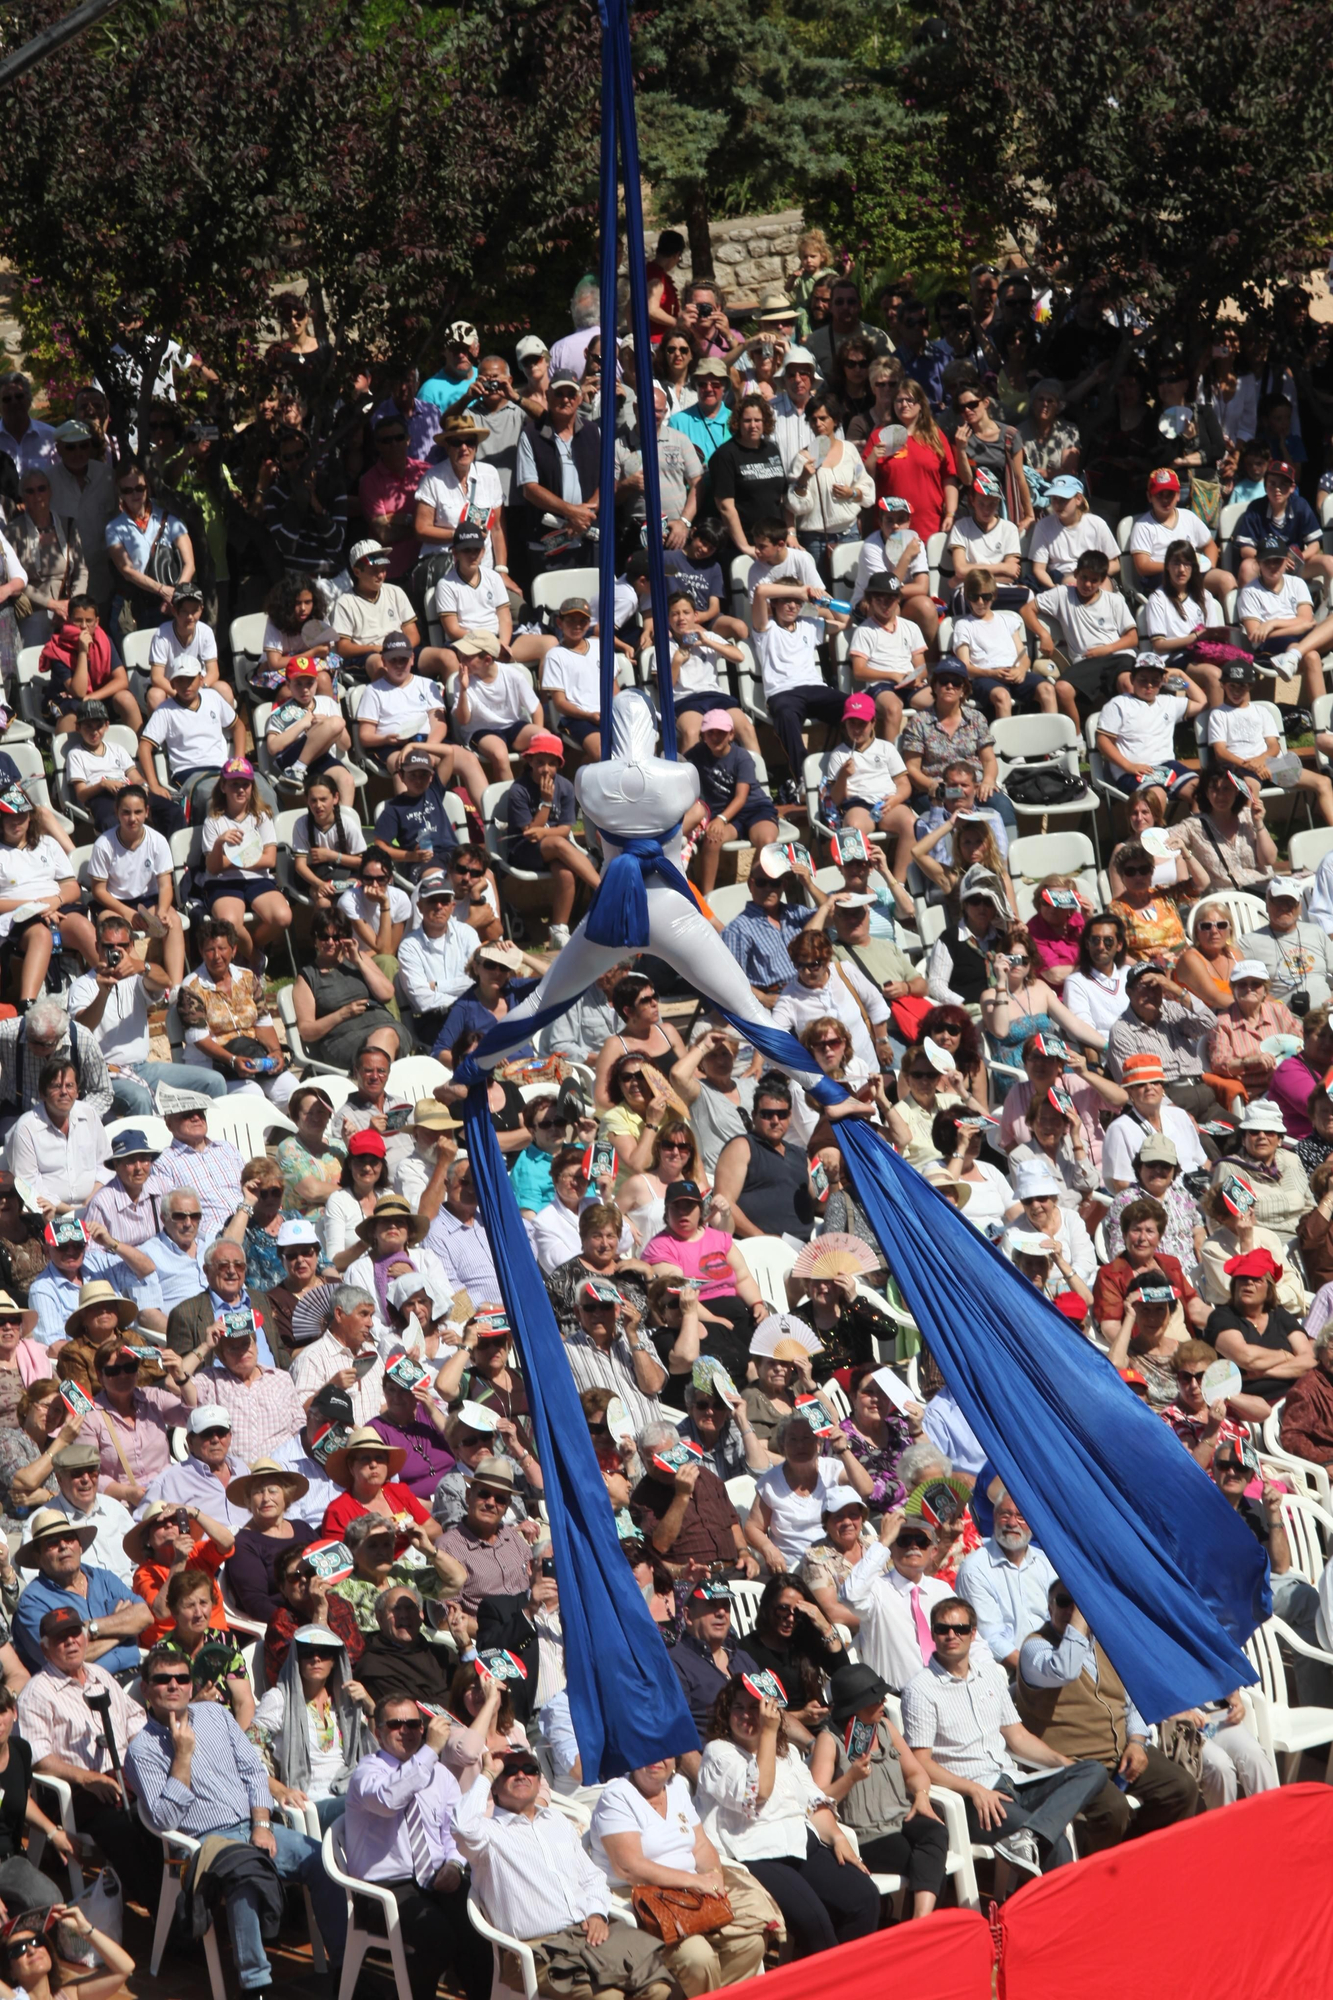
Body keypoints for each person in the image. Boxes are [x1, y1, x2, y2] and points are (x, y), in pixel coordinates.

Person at [127, 1639, 347, 1992]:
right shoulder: (142, 1749)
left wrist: (262, 1825)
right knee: (246, 1875)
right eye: (162, 1679)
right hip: (203, 1843)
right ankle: (256, 1985)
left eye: (181, 1679)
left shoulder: (216, 1715)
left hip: (253, 1825)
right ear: (146, 1688)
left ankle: (344, 1968)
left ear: (191, 1684)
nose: (173, 1685)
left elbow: (254, 1772)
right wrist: (182, 1758)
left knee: (323, 1862)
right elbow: (164, 1820)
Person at [902, 1595, 1109, 1885]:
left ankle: (1029, 1836)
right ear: (933, 1633)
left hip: (1013, 1782)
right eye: (943, 1629)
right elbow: (921, 1762)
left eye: (960, 1629)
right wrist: (973, 1789)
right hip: (973, 1800)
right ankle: (1061, 1914)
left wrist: (1063, 1764)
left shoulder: (990, 1676)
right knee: (1053, 1843)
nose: (952, 1635)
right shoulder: (921, 1690)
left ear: (973, 1634)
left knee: (1092, 1769)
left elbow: (1017, 1736)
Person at [695, 1677, 880, 1959]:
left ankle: (847, 1979)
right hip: (755, 1854)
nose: (747, 1716)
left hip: (799, 1843)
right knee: (814, 1921)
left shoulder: (788, 1753)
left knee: (864, 1897)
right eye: (738, 1708)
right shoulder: (719, 1753)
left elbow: (812, 1802)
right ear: (725, 1713)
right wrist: (768, 1733)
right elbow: (759, 1792)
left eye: (756, 1707)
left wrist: (837, 1836)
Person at [1014, 1581, 1202, 1850]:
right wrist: (1080, 1617)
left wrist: (1137, 1741)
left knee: (1181, 1787)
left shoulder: (1107, 1645)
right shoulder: (1036, 1647)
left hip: (1119, 1755)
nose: (1072, 1610)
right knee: (1113, 1810)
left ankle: (1142, 1858)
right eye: (1064, 1602)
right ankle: (1098, 1873)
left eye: (1079, 1602)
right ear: (1049, 1607)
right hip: (1072, 1764)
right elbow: (1064, 1670)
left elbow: (1133, 1700)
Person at [808, 1663, 950, 1919]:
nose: (884, 1701)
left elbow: (916, 1772)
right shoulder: (829, 1741)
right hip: (866, 1833)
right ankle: (920, 1926)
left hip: (901, 1818)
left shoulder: (885, 1727)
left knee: (936, 1832)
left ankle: (919, 1923)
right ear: (856, 1706)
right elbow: (817, 1801)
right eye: (875, 1698)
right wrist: (850, 1778)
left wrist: (920, 1795)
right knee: (927, 1863)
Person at [250, 1622, 373, 1834]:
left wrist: (371, 1707)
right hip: (310, 1802)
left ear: (335, 1660)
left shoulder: (345, 1701)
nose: (316, 1659)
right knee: (370, 1807)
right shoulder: (278, 1700)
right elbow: (247, 1755)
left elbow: (375, 1752)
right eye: (307, 1653)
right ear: (297, 1659)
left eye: (324, 1653)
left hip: (351, 1790)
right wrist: (280, 1790)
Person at [11, 1507, 151, 1675]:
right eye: (52, 1543)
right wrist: (123, 1632)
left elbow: (145, 1616)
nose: (63, 1546)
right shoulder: (32, 1603)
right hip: (80, 1692)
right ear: (37, 1558)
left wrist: (91, 1628)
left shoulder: (102, 1577)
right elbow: (62, 1660)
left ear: (80, 1547)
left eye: (69, 1538)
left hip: (137, 1676)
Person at [955, 1486, 1058, 1672]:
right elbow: (991, 1639)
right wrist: (1041, 1673)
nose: (1012, 1523)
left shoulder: (1047, 1564)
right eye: (1005, 1515)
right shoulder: (975, 1569)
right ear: (994, 1518)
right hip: (1009, 1675)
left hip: (1055, 1665)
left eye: (1021, 1516)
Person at [1205, 1247, 1313, 1406]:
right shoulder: (1222, 1317)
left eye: (1257, 1279)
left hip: (1295, 1398)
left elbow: (1309, 1360)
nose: (1248, 1282)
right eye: (1242, 1277)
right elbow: (1246, 1357)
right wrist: (1285, 1355)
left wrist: (1262, 1372)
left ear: (1269, 1288)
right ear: (1235, 1285)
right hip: (1249, 1405)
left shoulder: (1280, 1315)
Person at [145, 1086, 247, 1241]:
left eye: (200, 1113)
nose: (196, 1118)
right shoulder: (164, 1163)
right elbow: (173, 1216)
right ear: (169, 1124)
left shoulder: (226, 1148)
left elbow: (252, 1188)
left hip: (253, 1224)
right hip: (215, 1237)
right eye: (187, 1115)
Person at [225, 1460, 316, 1620]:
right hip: (283, 1624)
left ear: (286, 1495)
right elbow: (256, 1604)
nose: (266, 1498)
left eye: (273, 1491)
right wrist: (297, 1623)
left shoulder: (302, 1528)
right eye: (258, 1492)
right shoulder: (244, 1543)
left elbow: (330, 1568)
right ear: (248, 1500)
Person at [352, 1584, 452, 1708]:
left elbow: (470, 1693)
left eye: (410, 1608)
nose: (404, 1615)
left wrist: (465, 1645)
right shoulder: (374, 1666)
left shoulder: (442, 1654)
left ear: (421, 1615)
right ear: (380, 1618)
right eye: (395, 1609)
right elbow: (411, 1713)